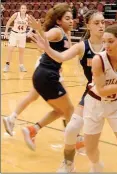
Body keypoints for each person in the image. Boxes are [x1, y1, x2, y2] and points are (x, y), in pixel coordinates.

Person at [30, 10, 117, 173]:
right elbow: (61, 57)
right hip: (95, 93)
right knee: (72, 130)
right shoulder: (84, 47)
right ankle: (69, 163)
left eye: (103, 22)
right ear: (88, 25)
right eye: (97, 23)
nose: (101, 26)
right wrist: (46, 46)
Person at [3, 3, 74, 151]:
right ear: (59, 20)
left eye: (72, 18)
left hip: (49, 71)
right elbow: (46, 36)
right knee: (68, 109)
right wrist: (38, 30)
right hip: (47, 71)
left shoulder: (65, 33)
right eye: (67, 18)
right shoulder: (57, 31)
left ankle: (16, 121)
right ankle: (73, 141)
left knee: (41, 100)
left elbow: (63, 53)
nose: (71, 21)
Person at [3, 4, 33, 72]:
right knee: (10, 50)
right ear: (20, 9)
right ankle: (7, 65)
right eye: (22, 8)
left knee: (21, 51)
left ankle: (21, 66)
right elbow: (8, 22)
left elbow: (32, 25)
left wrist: (30, 31)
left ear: (26, 10)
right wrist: (6, 32)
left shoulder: (27, 17)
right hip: (14, 34)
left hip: (22, 35)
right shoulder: (16, 15)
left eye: (24, 8)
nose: (23, 9)